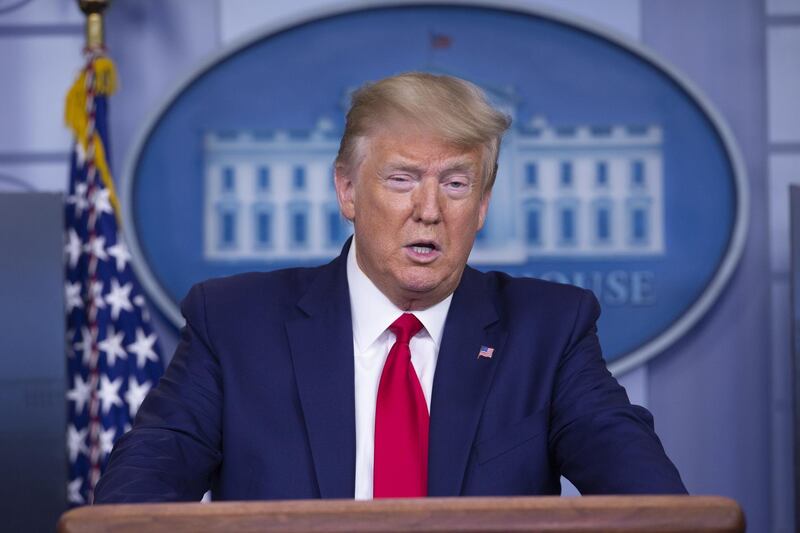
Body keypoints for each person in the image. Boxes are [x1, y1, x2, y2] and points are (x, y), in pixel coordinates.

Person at [95, 72, 686, 502]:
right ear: (347, 190)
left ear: (482, 204)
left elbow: (649, 497)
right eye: (402, 179)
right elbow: (137, 495)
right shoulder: (233, 322)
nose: (429, 210)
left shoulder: (549, 329)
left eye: (456, 184)